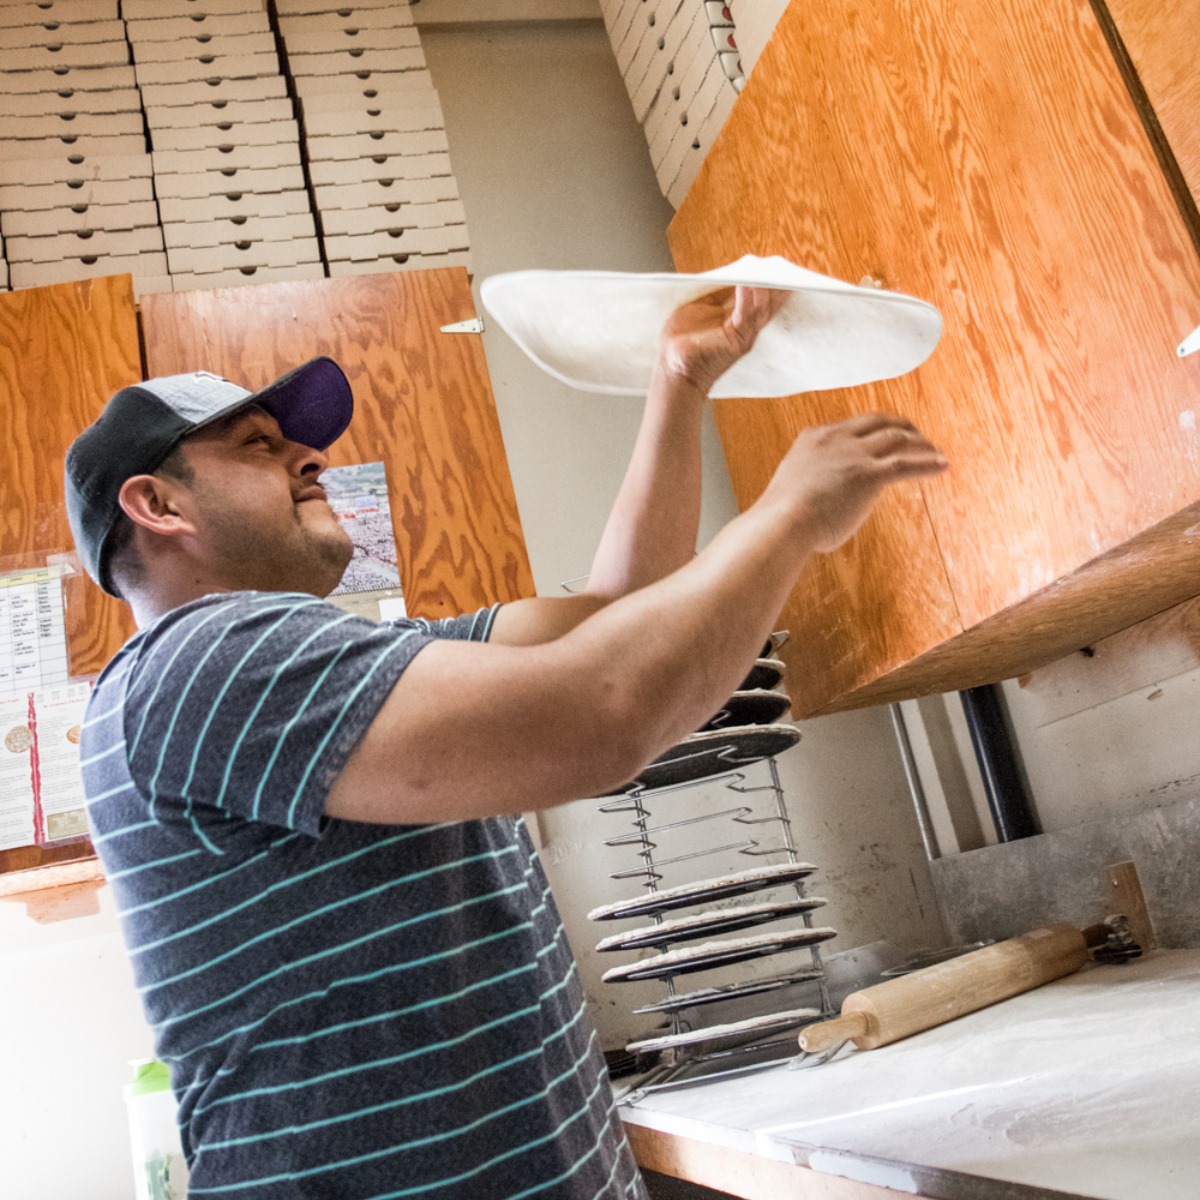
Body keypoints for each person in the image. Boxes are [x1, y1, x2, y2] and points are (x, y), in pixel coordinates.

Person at [66, 286, 947, 1199]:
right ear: (158, 503)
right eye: (258, 445)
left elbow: (616, 617)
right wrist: (788, 517)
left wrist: (680, 380)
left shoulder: (330, 659)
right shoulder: (201, 663)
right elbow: (600, 716)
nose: (311, 456)